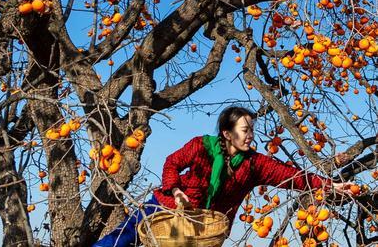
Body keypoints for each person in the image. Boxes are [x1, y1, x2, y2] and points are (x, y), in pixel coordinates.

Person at [93, 106, 352, 247]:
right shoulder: (201, 146)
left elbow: (293, 176)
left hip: (203, 231)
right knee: (120, 239)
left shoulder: (255, 165)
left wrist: (331, 186)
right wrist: (175, 190)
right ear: (227, 134)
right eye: (244, 130)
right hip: (164, 208)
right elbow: (172, 163)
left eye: (252, 129)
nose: (250, 135)